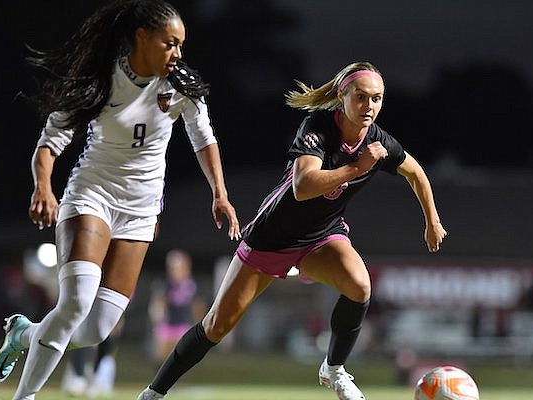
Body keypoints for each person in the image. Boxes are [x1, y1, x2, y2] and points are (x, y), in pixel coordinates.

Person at [136, 61, 447, 400]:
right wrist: (358, 166)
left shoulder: (378, 140)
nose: (369, 106)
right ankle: (153, 393)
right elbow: (303, 186)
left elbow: (415, 173)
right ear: (342, 96)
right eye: (360, 97)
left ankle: (334, 369)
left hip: (322, 237)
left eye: (377, 99)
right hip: (272, 237)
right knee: (215, 327)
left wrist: (432, 220)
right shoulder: (318, 127)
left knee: (359, 286)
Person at [0, 1, 240, 399]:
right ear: (142, 37)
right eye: (169, 43)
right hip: (92, 196)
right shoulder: (99, 78)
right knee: (75, 305)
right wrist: (43, 186)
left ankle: (26, 332)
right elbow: (50, 142)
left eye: (181, 45)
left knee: (97, 328)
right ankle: (25, 397)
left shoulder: (182, 85)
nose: (177, 53)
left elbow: (203, 137)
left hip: (140, 212)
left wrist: (220, 194)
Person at [148, 249, 205, 366]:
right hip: (167, 324)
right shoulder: (164, 284)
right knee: (160, 358)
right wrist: (157, 317)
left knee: (178, 358)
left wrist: (200, 324)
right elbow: (158, 303)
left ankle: (172, 381)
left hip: (183, 325)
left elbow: (198, 305)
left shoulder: (192, 284)